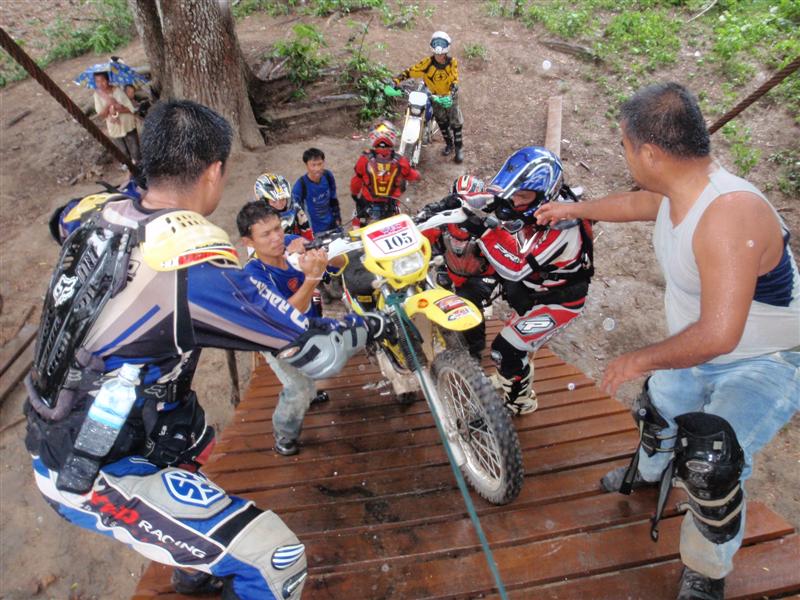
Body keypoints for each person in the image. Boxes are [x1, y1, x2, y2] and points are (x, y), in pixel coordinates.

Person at [24, 99, 379, 600]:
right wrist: (375, 324)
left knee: (191, 436)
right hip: (93, 465)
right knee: (275, 560)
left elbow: (58, 220)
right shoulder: (193, 270)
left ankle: (192, 568)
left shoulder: (94, 212)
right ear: (215, 171)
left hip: (74, 419)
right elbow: (319, 352)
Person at [535, 82, 800, 600]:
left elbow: (719, 335)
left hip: (764, 361)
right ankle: (651, 470)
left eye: (625, 145)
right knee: (659, 410)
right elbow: (639, 205)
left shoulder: (728, 214)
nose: (624, 154)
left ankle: (706, 569)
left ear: (650, 153)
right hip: (699, 346)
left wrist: (639, 358)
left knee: (711, 462)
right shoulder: (680, 190)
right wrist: (575, 211)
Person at [458, 147, 594, 416]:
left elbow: (516, 265)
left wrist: (484, 231)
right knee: (472, 290)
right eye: (513, 192)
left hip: (559, 302)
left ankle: (520, 402)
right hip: (536, 286)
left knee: (506, 350)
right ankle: (513, 374)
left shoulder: (563, 227)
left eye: (522, 196)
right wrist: (464, 200)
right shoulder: (543, 204)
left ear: (544, 195)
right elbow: (495, 201)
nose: (514, 200)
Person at [238, 202, 347, 456]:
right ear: (248, 242)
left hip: (308, 328)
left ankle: (311, 391)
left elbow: (341, 262)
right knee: (299, 389)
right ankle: (285, 434)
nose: (277, 238)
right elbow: (283, 316)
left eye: (278, 228)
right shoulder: (253, 275)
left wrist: (320, 251)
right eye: (266, 234)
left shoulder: (292, 242)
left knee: (335, 352)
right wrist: (312, 277)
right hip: (277, 340)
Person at [422, 175, 499, 360]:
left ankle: (475, 350)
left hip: (485, 275)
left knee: (467, 300)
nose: (465, 206)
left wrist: (487, 229)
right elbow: (422, 239)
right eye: (460, 200)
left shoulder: (490, 224)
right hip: (452, 271)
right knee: (431, 295)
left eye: (471, 201)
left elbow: (507, 249)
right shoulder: (443, 222)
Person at [394, 31, 464, 163]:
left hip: (449, 96)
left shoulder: (452, 62)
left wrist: (452, 91)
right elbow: (411, 71)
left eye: (441, 51)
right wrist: (396, 81)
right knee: (441, 121)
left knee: (456, 122)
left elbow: (455, 78)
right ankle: (449, 144)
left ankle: (459, 148)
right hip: (434, 96)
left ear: (446, 49)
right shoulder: (427, 63)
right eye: (437, 49)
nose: (439, 55)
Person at [350, 120, 421, 227]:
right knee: (396, 227)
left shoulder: (364, 159)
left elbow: (356, 182)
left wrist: (354, 194)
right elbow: (413, 176)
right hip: (390, 208)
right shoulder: (401, 161)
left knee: (357, 224)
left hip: (367, 205)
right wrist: (418, 175)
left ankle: (357, 230)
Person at [291, 147, 341, 236]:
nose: (317, 168)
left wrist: (337, 218)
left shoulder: (328, 176)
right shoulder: (300, 186)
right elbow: (295, 213)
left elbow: (333, 198)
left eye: (320, 164)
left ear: (324, 162)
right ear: (306, 165)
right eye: (313, 165)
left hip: (333, 225)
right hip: (315, 232)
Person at [92, 71, 140, 164]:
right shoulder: (97, 95)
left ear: (108, 80)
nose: (100, 84)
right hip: (114, 127)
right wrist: (108, 104)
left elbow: (131, 109)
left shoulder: (118, 91)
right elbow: (102, 115)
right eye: (97, 81)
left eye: (103, 80)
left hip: (127, 124)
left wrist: (118, 109)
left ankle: (138, 165)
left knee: (135, 150)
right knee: (122, 151)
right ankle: (128, 166)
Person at [254, 172, 312, 240]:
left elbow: (308, 235)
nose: (279, 204)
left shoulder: (296, 210)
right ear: (264, 202)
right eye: (274, 201)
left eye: (283, 199)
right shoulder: (257, 220)